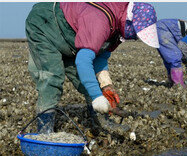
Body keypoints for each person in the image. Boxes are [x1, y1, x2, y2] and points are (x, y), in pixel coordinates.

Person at [25, 2, 159, 134]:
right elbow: (83, 60)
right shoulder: (100, 21)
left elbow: (100, 55)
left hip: (71, 38)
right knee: (52, 78)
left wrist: (106, 85)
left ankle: (100, 122)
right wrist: (97, 96)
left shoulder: (117, 27)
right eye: (136, 33)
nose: (135, 37)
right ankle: (44, 129)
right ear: (130, 21)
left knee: (88, 81)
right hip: (45, 25)